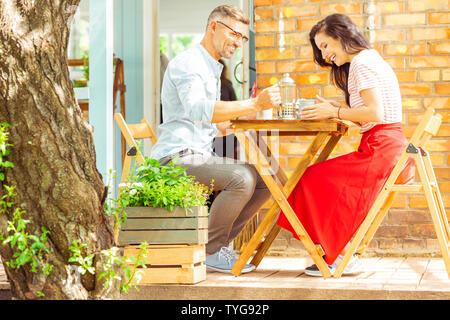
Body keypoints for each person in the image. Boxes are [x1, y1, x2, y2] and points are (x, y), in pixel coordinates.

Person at [277, 13, 415, 276]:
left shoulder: (362, 64)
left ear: (341, 36)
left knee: (313, 178)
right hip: (388, 147)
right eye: (320, 49)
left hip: (382, 151)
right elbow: (375, 112)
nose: (325, 53)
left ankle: (340, 254)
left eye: (326, 45)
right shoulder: (369, 59)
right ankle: (340, 252)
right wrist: (338, 108)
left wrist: (335, 112)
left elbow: (375, 114)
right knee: (317, 178)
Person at [150, 5, 281, 274]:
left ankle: (216, 246)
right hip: (173, 158)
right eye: (234, 33)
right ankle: (210, 249)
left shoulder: (210, 67)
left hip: (198, 154)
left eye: (242, 37)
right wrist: (254, 104)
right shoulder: (189, 63)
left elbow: (209, 123)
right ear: (213, 26)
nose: (238, 42)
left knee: (267, 178)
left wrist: (242, 121)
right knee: (240, 178)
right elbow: (199, 109)